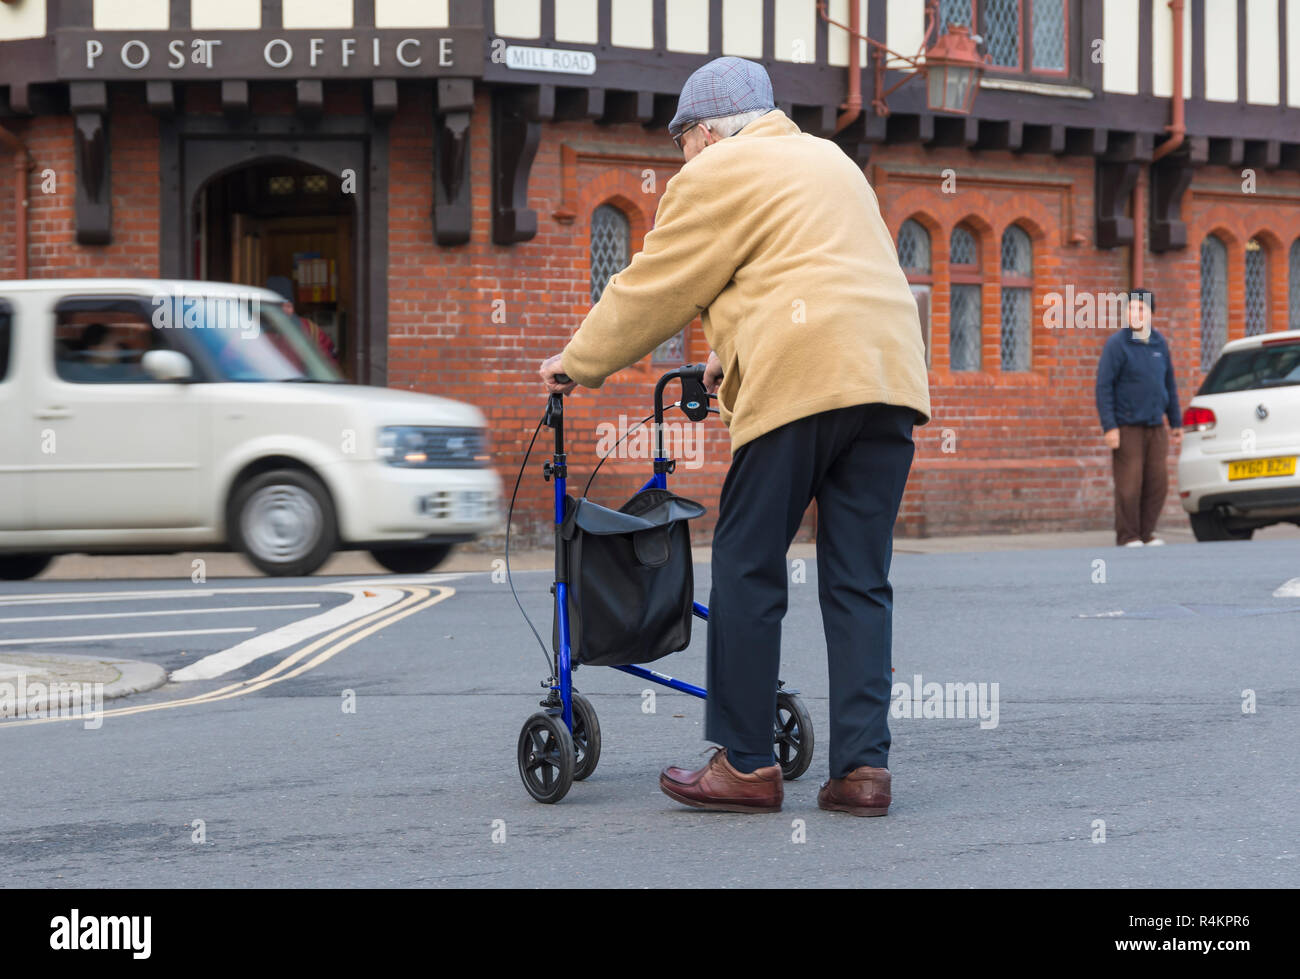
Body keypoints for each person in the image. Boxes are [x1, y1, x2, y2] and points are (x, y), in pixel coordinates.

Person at [539, 57, 931, 816]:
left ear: (708, 133)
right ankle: (863, 771)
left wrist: (576, 363)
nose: (679, 160)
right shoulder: (830, 160)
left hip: (802, 383)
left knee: (750, 565)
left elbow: (658, 284)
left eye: (681, 143)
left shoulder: (719, 171)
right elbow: (815, 269)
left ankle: (746, 764)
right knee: (859, 581)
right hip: (886, 381)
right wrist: (728, 350)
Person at [1095, 289, 1182, 547]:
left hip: (1155, 425)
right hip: (1127, 426)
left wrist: (1175, 422)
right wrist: (1109, 427)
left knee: (1157, 483)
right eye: (1131, 309)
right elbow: (1103, 387)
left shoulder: (1159, 344)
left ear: (1151, 313)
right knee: (1129, 485)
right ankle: (1128, 536)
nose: (1136, 314)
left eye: (1141, 309)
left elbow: (1169, 384)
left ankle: (1146, 533)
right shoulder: (1117, 345)